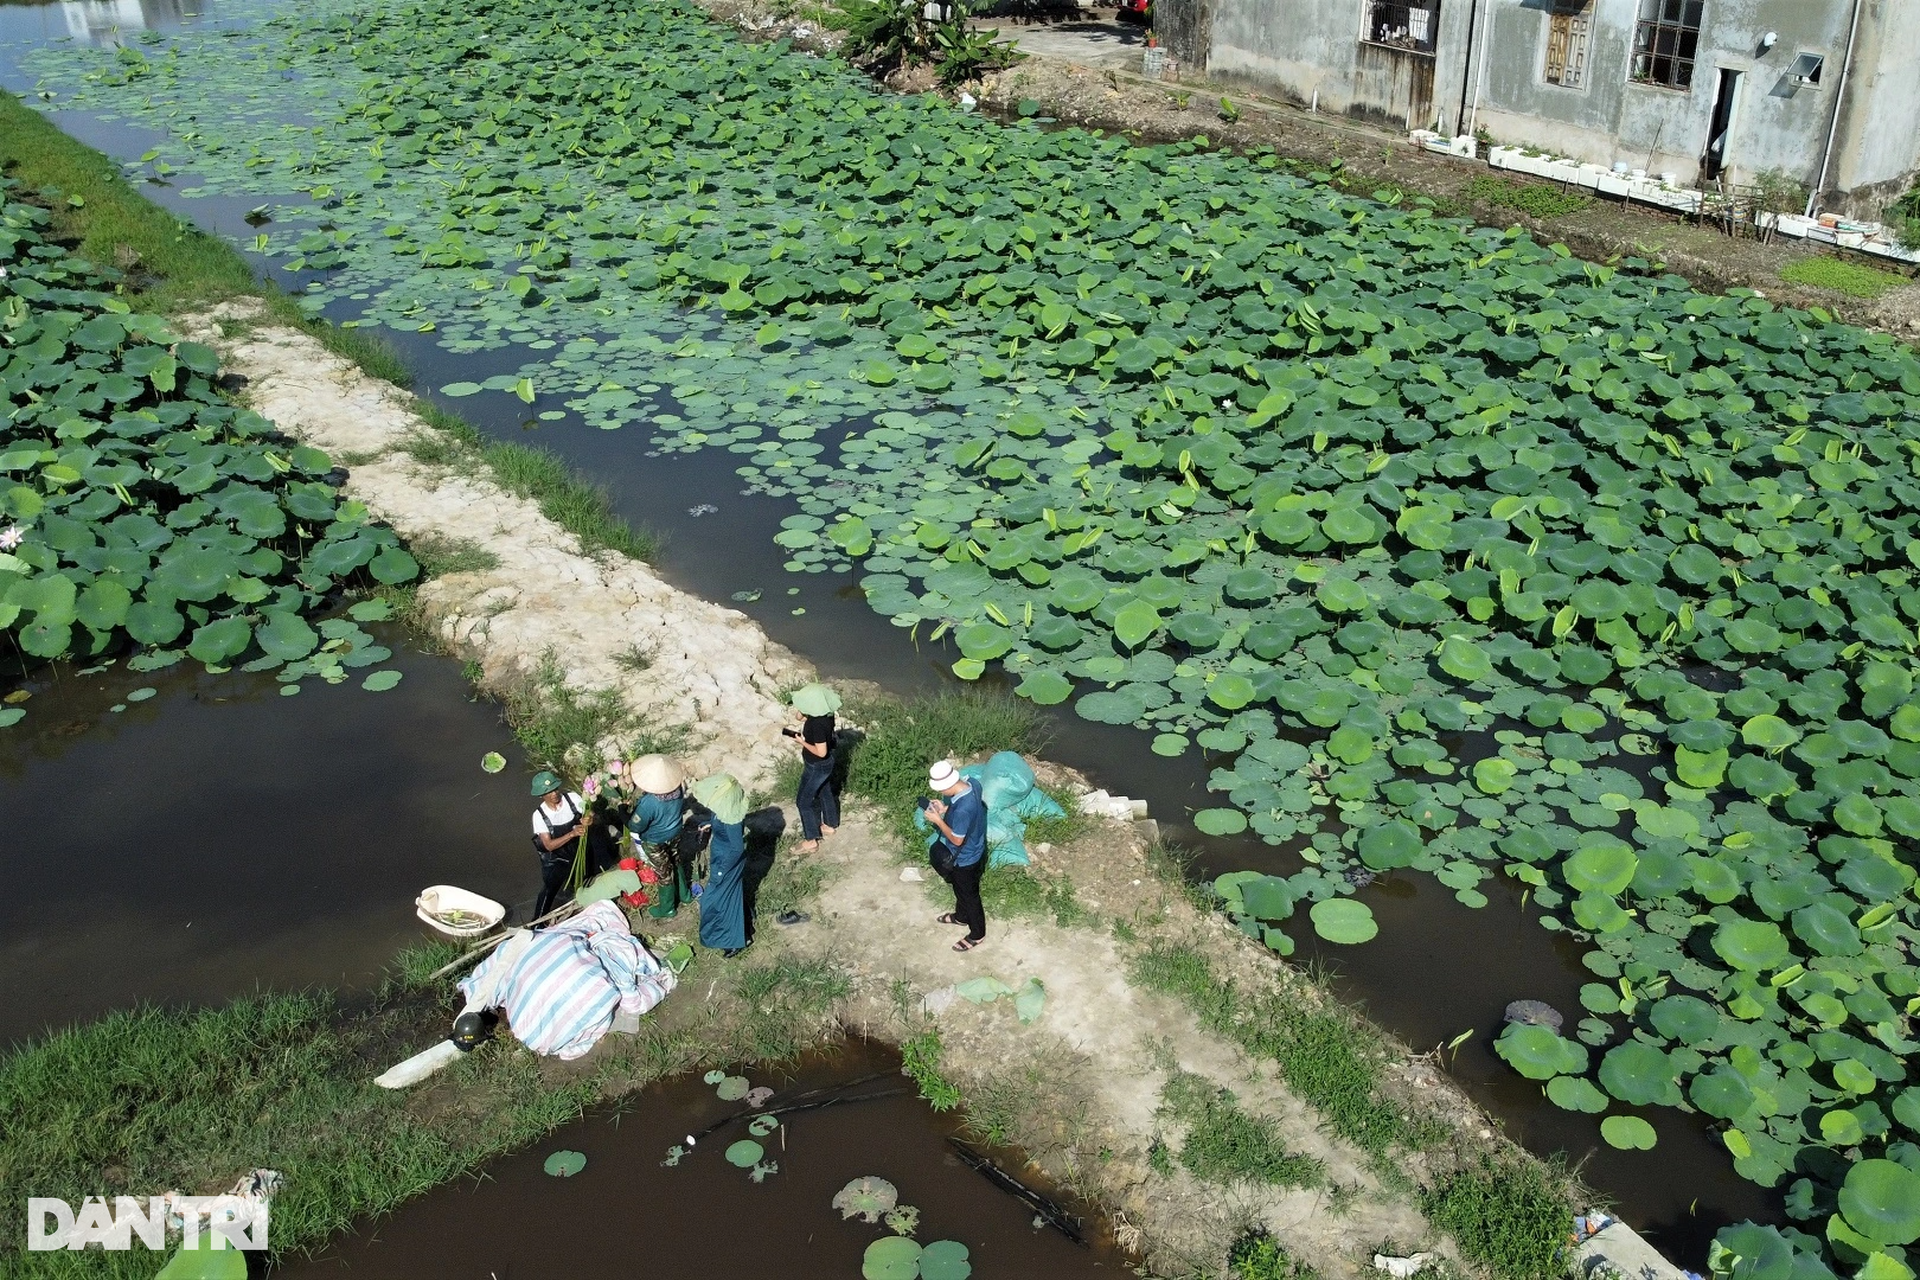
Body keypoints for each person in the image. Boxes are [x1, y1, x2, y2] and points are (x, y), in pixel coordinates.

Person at [923, 759, 987, 952]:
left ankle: (977, 933)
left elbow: (957, 840)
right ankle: (961, 917)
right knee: (960, 889)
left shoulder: (963, 810)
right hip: (976, 848)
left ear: (950, 784)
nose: (941, 794)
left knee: (970, 895)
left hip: (966, 858)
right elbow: (965, 807)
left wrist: (938, 820)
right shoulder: (973, 784)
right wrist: (945, 809)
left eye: (942, 790)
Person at [690, 772, 752, 958]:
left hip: (727, 863)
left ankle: (732, 941)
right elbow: (720, 820)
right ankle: (741, 930)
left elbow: (736, 848)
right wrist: (710, 824)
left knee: (713, 901)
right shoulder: (725, 811)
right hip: (722, 858)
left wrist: (720, 872)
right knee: (729, 896)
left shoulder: (732, 821)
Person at [626, 754, 691, 918]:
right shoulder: (678, 789)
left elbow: (635, 825)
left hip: (655, 840)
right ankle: (685, 895)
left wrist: (622, 812)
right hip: (675, 832)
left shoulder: (649, 803)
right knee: (675, 861)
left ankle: (667, 908)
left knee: (664, 872)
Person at [786, 682, 842, 852]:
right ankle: (830, 825)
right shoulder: (827, 714)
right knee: (825, 791)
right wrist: (803, 708)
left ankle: (810, 840)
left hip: (816, 766)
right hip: (826, 765)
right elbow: (799, 717)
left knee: (803, 801)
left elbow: (821, 751)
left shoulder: (816, 725)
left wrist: (802, 741)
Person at [529, 770, 587, 923]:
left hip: (576, 850)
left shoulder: (572, 798)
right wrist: (572, 834)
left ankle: (580, 907)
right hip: (555, 857)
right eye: (548, 792)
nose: (554, 793)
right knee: (550, 888)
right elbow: (548, 845)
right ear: (541, 796)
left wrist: (589, 819)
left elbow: (589, 814)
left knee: (582, 879)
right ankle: (537, 921)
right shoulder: (539, 815)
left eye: (555, 789)